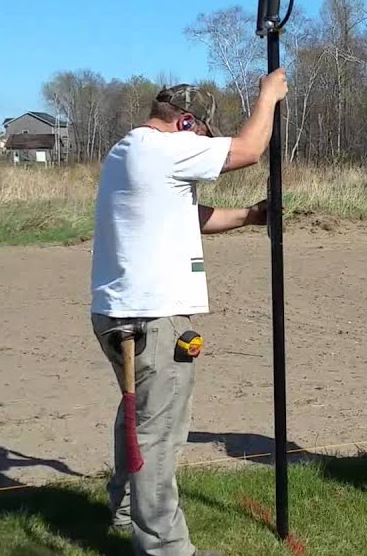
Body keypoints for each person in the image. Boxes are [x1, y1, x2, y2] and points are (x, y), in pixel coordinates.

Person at [89, 68, 288, 556]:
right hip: (155, 320)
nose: (202, 142)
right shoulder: (167, 149)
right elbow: (249, 150)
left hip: (117, 314)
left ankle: (124, 512)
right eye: (202, 133)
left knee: (137, 416)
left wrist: (250, 216)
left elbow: (188, 215)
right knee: (159, 434)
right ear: (185, 123)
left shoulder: (128, 150)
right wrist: (268, 95)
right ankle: (165, 547)